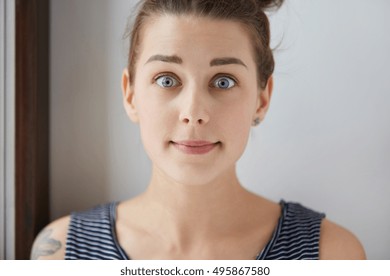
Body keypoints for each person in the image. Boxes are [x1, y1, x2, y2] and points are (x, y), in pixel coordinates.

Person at [31, 0, 366, 260]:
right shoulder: (61, 254)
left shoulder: (331, 256)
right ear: (130, 94)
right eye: (167, 80)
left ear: (262, 99)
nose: (193, 113)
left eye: (223, 81)